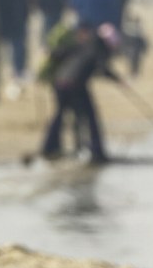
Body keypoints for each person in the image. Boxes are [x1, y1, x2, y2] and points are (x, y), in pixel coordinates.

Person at [38, 22, 118, 163]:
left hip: (60, 83)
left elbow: (59, 54)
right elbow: (102, 69)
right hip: (75, 85)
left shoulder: (81, 44)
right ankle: (96, 152)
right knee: (90, 118)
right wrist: (118, 80)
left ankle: (50, 148)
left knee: (60, 115)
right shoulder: (97, 48)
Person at [0, 0, 32, 85]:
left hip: (21, 21)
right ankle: (13, 72)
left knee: (21, 48)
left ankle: (20, 70)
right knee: (11, 49)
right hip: (9, 23)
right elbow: (1, 4)